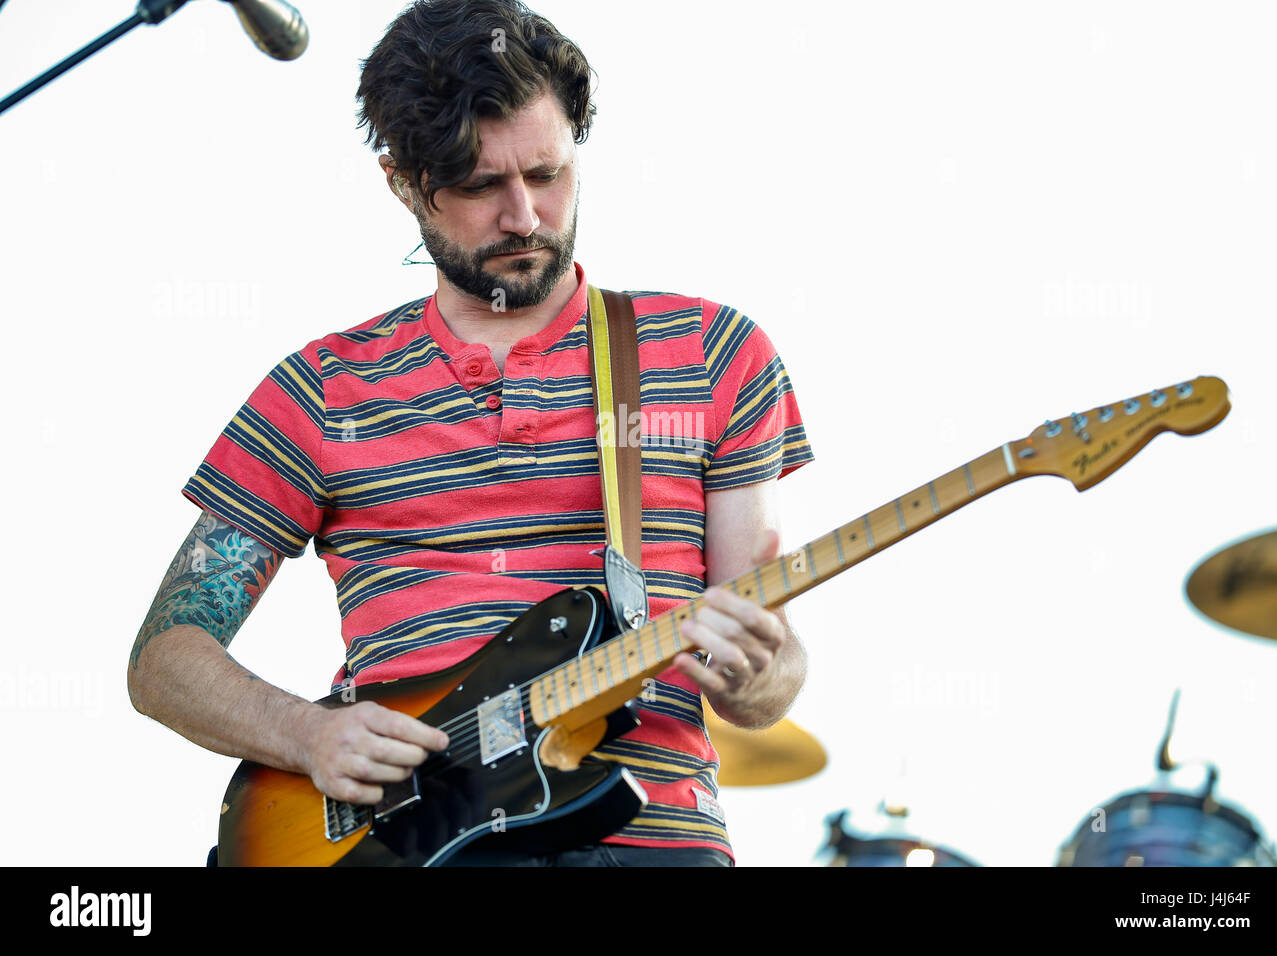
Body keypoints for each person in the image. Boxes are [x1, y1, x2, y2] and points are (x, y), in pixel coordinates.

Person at [128, 0, 813, 867]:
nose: (525, 215)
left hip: (648, 838)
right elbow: (164, 658)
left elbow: (768, 679)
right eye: (481, 186)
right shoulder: (321, 389)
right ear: (404, 182)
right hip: (406, 846)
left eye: (548, 172)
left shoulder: (714, 353)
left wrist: (759, 671)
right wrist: (306, 737)